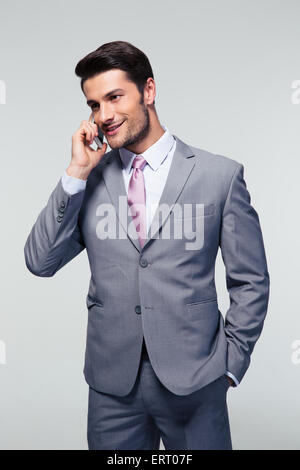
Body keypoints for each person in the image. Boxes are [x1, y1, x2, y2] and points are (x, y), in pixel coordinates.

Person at [24, 40, 270, 450]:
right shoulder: (91, 180)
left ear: (148, 91)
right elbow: (40, 261)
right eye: (94, 104)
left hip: (196, 381)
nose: (104, 116)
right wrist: (76, 172)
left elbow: (251, 281)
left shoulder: (219, 177)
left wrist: (230, 364)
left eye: (114, 97)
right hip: (112, 388)